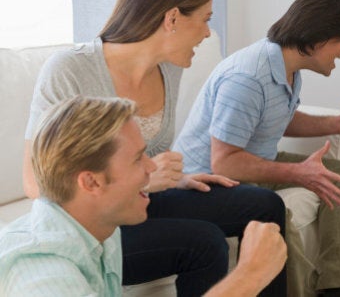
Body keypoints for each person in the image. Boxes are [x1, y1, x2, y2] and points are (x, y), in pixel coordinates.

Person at [21, 0, 287, 295]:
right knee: (205, 242)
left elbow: (140, 157)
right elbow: (36, 184)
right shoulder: (69, 70)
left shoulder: (170, 69)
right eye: (205, 19)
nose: (207, 33)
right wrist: (146, 179)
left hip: (140, 199)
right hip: (95, 223)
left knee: (265, 205)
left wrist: (177, 179)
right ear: (172, 18)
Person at [173, 0, 340, 297]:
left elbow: (280, 118)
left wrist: (337, 123)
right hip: (211, 181)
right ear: (317, 39)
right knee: (277, 210)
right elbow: (224, 162)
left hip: (252, 167)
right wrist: (298, 172)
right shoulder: (248, 78)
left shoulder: (287, 68)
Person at [2, 96, 287, 297]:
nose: (152, 167)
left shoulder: (100, 229)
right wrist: (249, 275)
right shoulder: (42, 275)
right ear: (91, 182)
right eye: (139, 159)